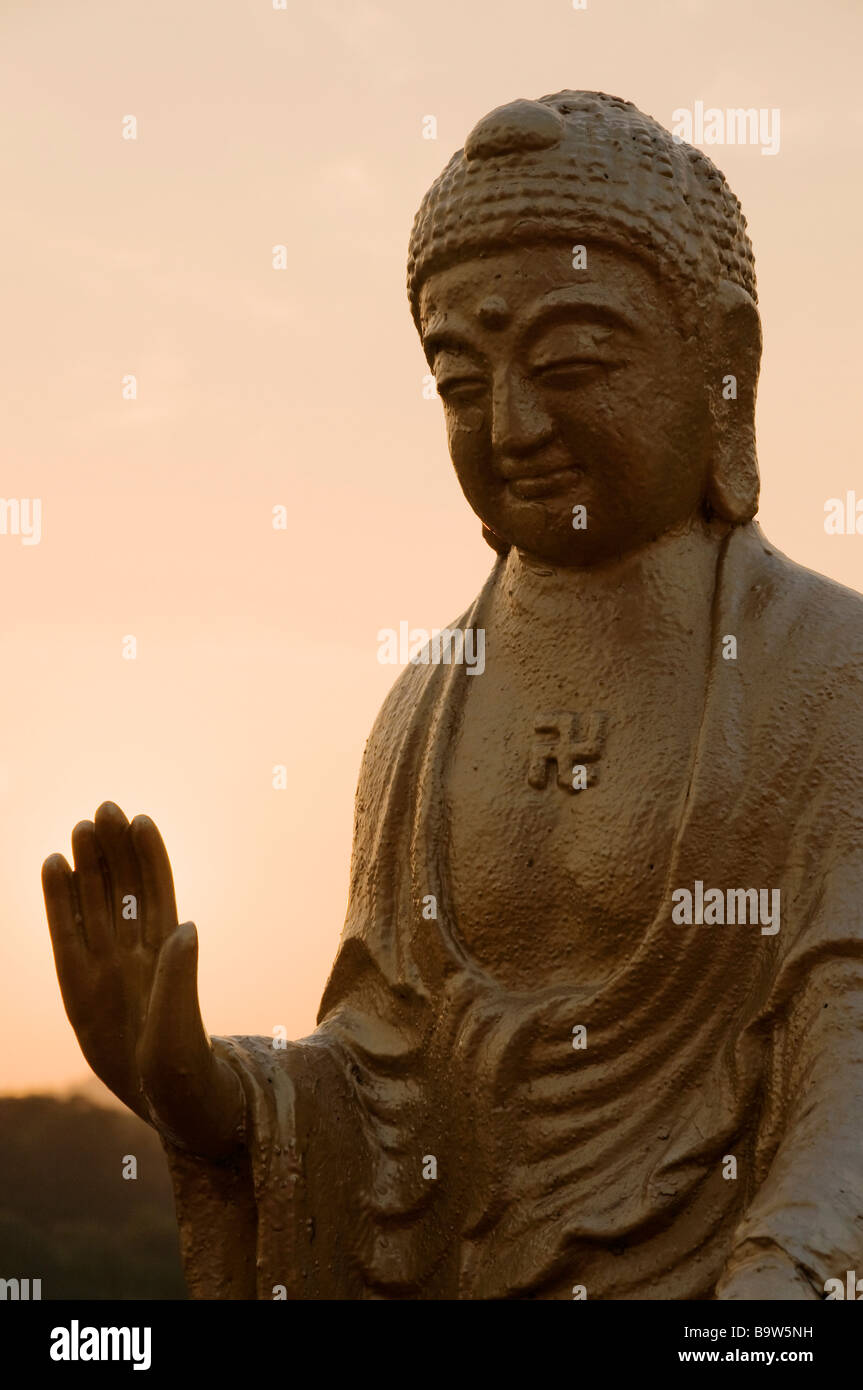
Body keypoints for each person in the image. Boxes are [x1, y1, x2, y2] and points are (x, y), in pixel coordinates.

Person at [44, 91, 863, 1299]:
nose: (515, 425)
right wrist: (212, 1095)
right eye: (460, 382)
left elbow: (846, 1064)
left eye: (571, 362)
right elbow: (383, 1084)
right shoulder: (427, 708)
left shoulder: (825, 673)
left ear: (725, 370)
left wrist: (777, 1290)